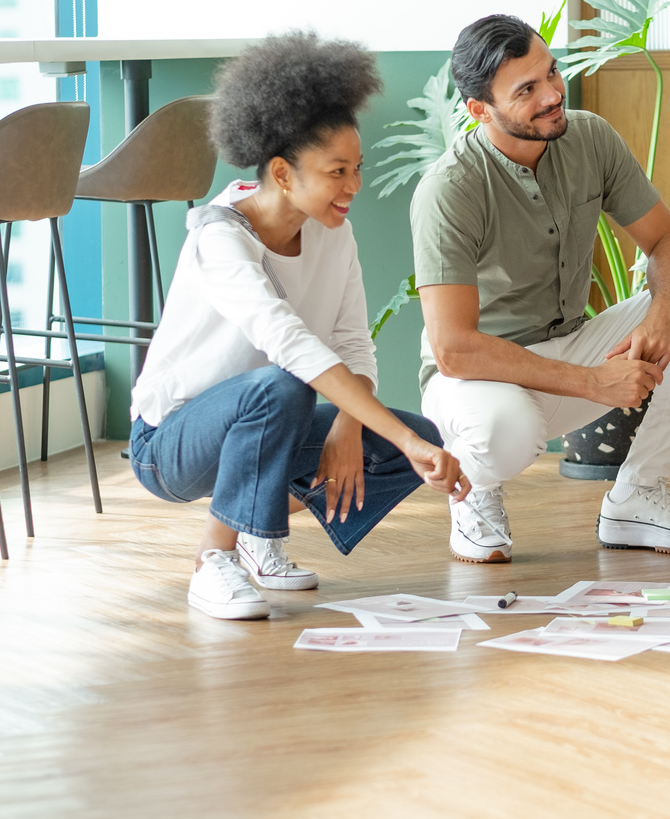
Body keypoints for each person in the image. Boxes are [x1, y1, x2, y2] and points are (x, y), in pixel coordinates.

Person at [128, 32, 468, 620]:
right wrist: (396, 437)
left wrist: (351, 428)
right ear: (283, 173)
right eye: (337, 171)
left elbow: (353, 342)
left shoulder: (335, 234)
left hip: (266, 420)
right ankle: (214, 559)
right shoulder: (219, 238)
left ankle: (255, 529)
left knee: (411, 438)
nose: (353, 186)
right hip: (170, 444)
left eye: (357, 169)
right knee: (286, 386)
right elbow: (289, 344)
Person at [410, 14, 670, 563]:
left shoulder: (589, 136)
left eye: (551, 72)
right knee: (506, 431)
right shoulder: (450, 189)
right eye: (526, 90)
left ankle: (638, 494)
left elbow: (668, 241)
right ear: (480, 110)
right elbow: (454, 349)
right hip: (479, 379)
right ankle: (474, 488)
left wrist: (662, 315)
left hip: (570, 344)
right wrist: (593, 382)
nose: (552, 95)